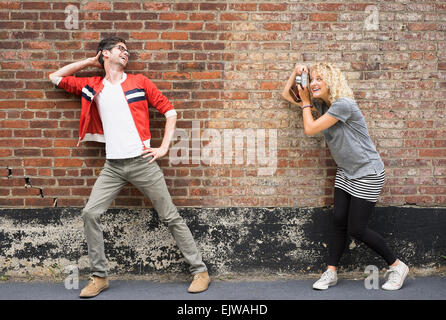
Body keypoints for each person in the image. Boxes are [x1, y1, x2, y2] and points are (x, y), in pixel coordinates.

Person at [49, 37, 210, 298]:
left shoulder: (139, 82)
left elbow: (170, 112)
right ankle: (100, 277)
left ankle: (200, 271)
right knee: (90, 213)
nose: (126, 53)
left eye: (127, 50)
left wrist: (164, 147)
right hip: (112, 166)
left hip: (142, 162)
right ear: (106, 54)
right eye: (120, 49)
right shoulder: (93, 85)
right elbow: (55, 76)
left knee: (170, 216)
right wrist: (91, 61)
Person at [282, 62, 409, 291]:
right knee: (338, 221)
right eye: (312, 80)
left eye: (320, 79)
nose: (313, 83)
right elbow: (286, 94)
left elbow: (310, 129)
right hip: (346, 172)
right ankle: (331, 272)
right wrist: (296, 73)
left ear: (332, 81)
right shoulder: (322, 105)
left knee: (356, 229)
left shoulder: (343, 105)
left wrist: (306, 102)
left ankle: (397, 265)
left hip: (367, 173)